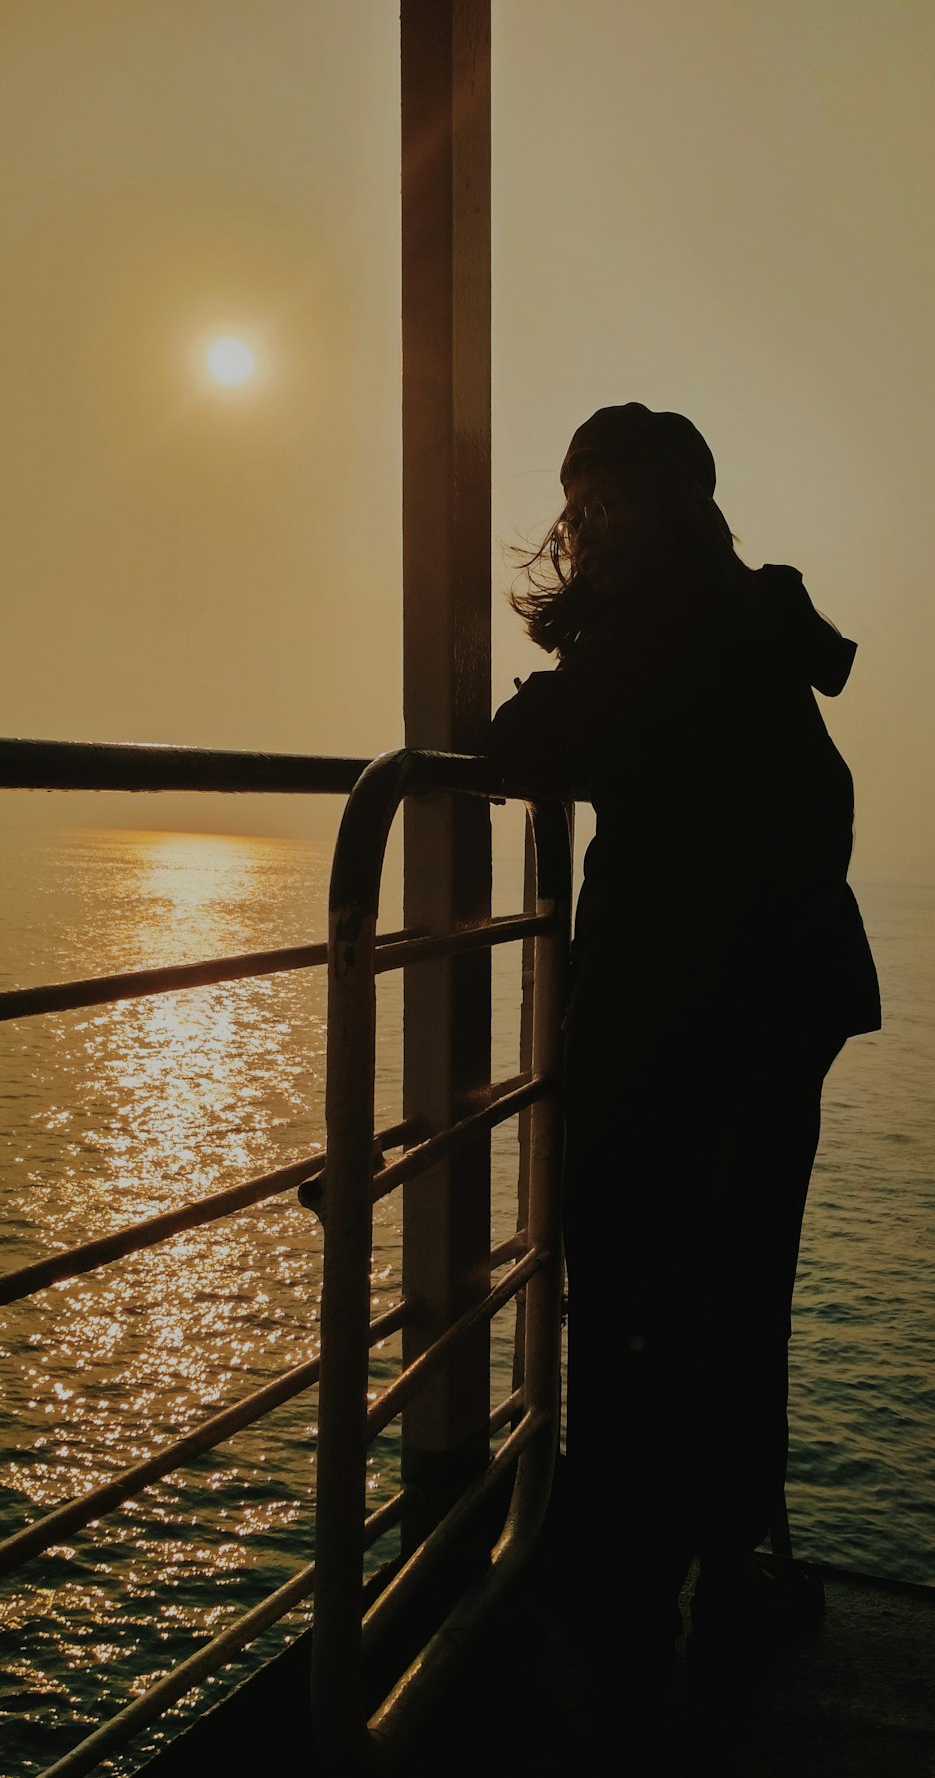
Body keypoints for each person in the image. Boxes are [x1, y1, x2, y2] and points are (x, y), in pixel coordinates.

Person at [490, 402, 880, 1661]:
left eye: (609, 503)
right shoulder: (748, 617)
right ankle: (723, 1554)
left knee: (637, 1285)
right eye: (582, 503)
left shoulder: (671, 630)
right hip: (775, 1003)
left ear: (670, 507)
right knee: (735, 1282)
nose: (590, 527)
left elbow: (528, 742)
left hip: (681, 1012)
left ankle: (626, 1573)